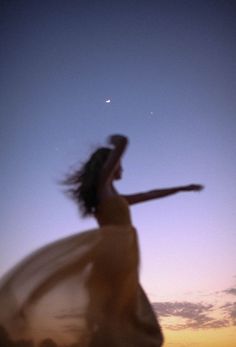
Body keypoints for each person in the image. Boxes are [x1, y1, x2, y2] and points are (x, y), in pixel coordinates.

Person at [0, 134, 203, 347]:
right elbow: (122, 144)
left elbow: (149, 194)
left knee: (116, 316)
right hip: (113, 254)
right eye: (119, 164)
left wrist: (181, 188)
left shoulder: (114, 196)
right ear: (109, 166)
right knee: (122, 316)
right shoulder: (103, 188)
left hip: (121, 258)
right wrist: (117, 141)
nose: (121, 169)